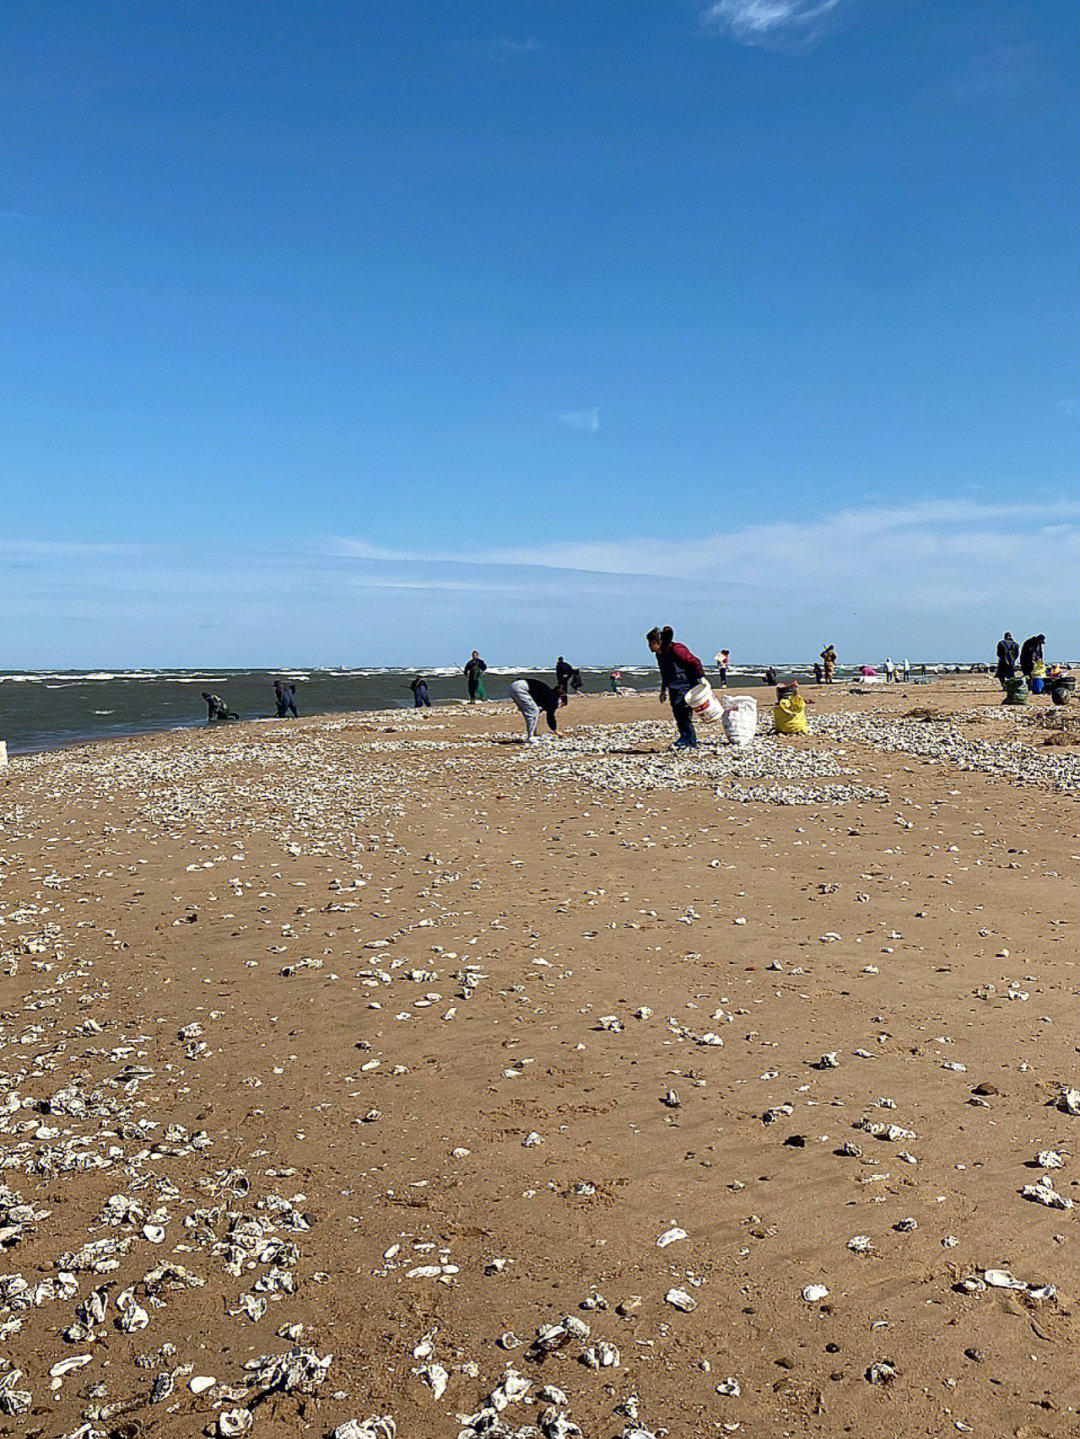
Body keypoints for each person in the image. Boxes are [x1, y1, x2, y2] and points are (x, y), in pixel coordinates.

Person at [646, 625, 705, 750]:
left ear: (657, 642)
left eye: (650, 643)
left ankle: (690, 740)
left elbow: (695, 661)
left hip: (686, 684)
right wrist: (663, 690)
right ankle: (685, 737)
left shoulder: (677, 649)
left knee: (683, 712)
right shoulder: (659, 655)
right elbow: (664, 672)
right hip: (674, 686)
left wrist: (701, 677)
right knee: (677, 712)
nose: (649, 646)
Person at [509, 676, 565, 742]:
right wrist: (556, 731)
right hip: (521, 688)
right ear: (560, 698)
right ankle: (530, 736)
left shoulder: (547, 693)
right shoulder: (553, 699)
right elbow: (550, 717)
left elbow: (538, 707)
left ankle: (533, 734)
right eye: (561, 704)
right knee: (533, 712)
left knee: (533, 712)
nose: (559, 706)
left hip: (515, 686)